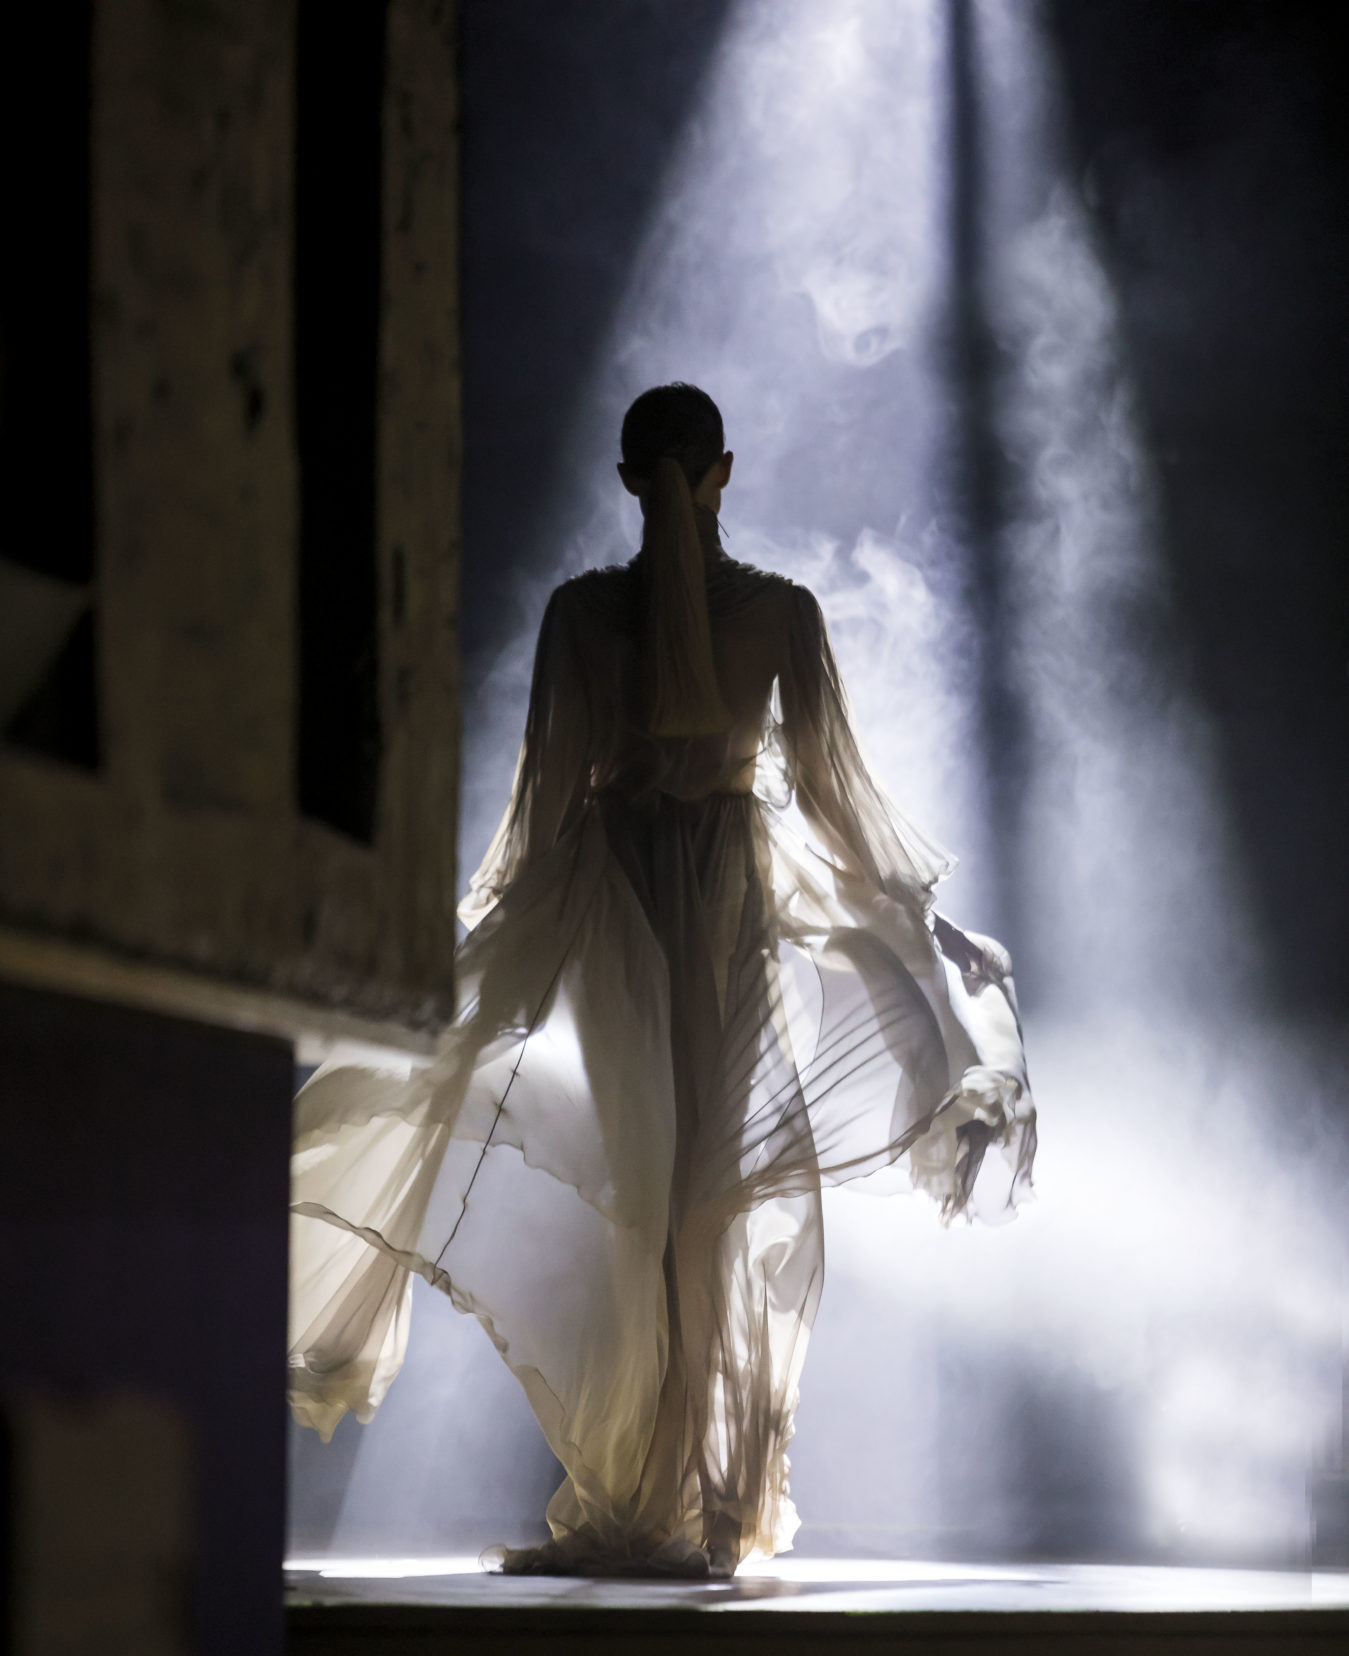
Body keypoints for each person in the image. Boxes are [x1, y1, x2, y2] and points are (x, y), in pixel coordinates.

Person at [289, 383, 1035, 1577]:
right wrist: (927, 924)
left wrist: (485, 950)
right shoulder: (779, 614)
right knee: (704, 1201)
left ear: (632, 479)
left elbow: (545, 811)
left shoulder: (582, 615)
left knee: (653, 1201)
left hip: (623, 915)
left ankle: (663, 1491)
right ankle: (700, 1496)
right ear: (721, 471)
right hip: (723, 908)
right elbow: (836, 802)